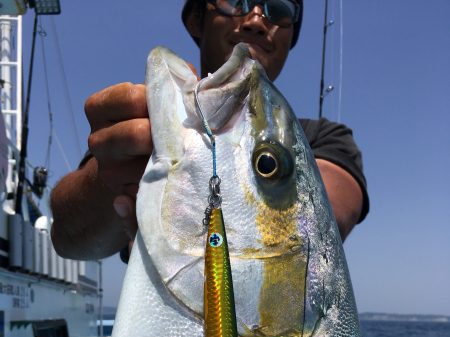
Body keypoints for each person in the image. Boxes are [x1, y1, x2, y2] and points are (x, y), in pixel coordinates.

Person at [50, 0, 368, 261]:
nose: (257, 19)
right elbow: (69, 239)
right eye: (234, 1)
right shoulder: (147, 124)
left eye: (280, 9)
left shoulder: (326, 139)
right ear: (197, 20)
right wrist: (110, 177)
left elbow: (327, 220)